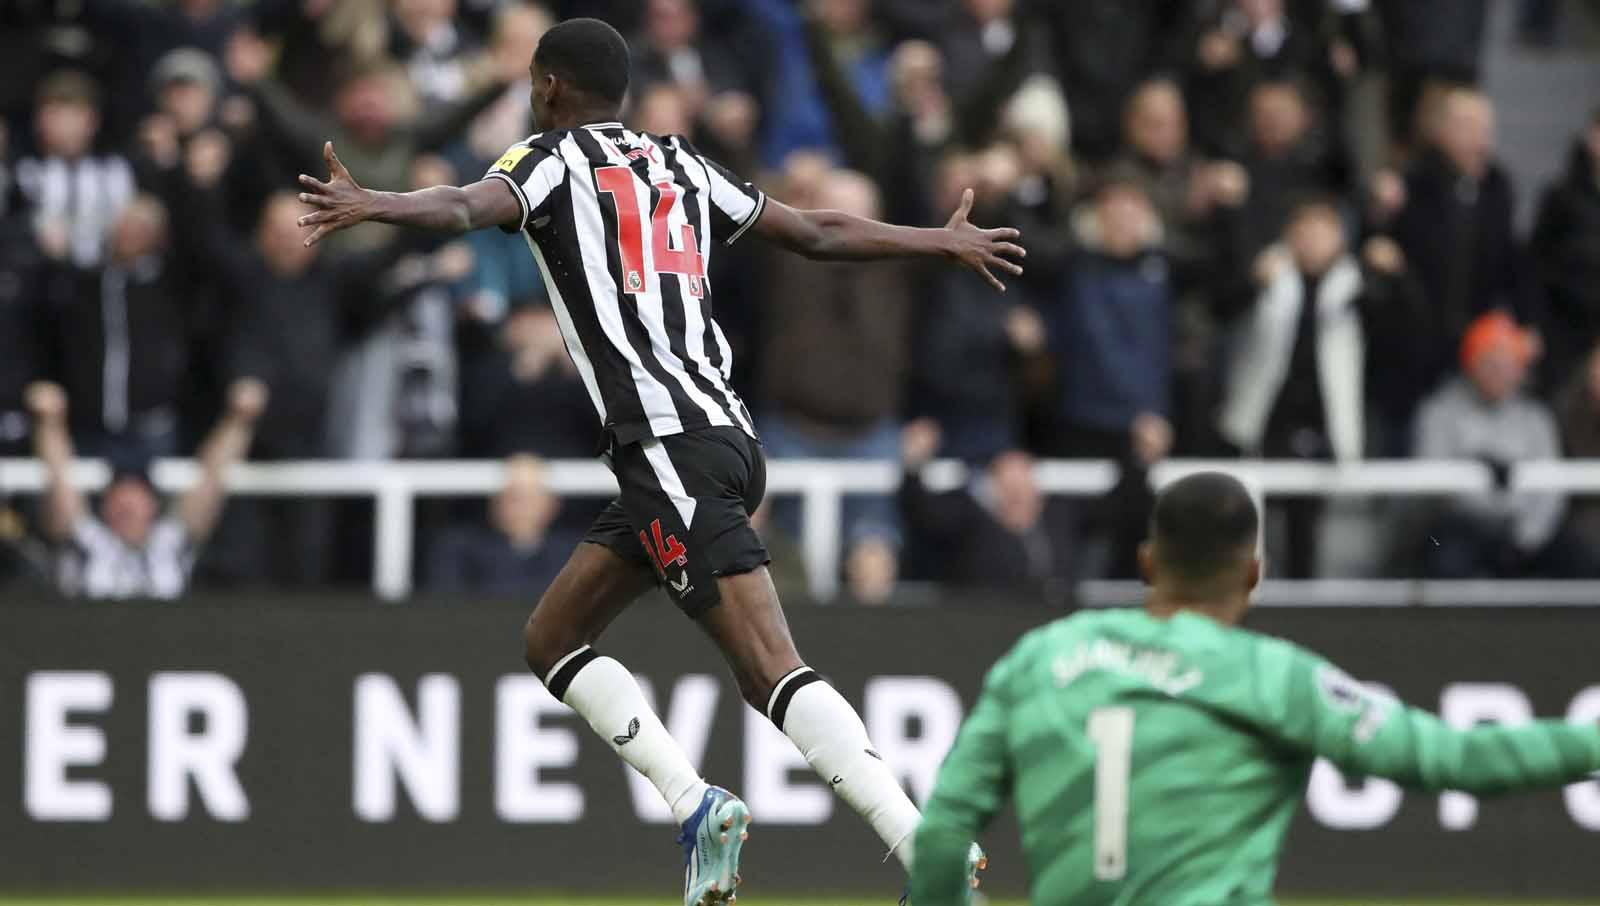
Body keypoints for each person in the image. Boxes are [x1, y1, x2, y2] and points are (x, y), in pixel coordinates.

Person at [292, 17, 1018, 905]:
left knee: (769, 669)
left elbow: (460, 208)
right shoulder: (681, 162)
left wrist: (377, 205)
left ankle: (925, 851)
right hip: (723, 442)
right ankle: (698, 803)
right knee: (553, 640)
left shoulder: (544, 160)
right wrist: (934, 240)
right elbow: (818, 231)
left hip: (668, 447)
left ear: (548, 86)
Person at [909, 471, 1600, 906]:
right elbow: (1458, 761)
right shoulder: (1275, 677)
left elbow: (943, 835)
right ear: (1253, 573)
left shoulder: (1040, 657)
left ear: (1148, 563)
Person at [25, 378, 266, 600]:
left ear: (152, 505)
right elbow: (59, 484)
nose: (127, 506)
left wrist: (238, 422)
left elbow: (211, 481)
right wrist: (49, 424)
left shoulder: (170, 545)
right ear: (105, 506)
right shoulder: (88, 543)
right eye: (119, 498)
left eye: (135, 497)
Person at [1413, 312, 1584, 579]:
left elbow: (1552, 493)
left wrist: (1524, 540)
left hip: (1521, 530)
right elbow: (1430, 485)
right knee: (1444, 552)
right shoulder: (1439, 412)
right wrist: (1474, 470)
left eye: (1508, 363)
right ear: (1471, 363)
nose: (1499, 372)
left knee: (1577, 556)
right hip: (1461, 527)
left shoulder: (1535, 418)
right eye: (1490, 362)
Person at [425, 454, 577, 597]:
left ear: (553, 504)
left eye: (530, 497)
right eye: (513, 497)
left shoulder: (574, 555)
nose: (521, 508)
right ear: (495, 502)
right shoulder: (458, 549)